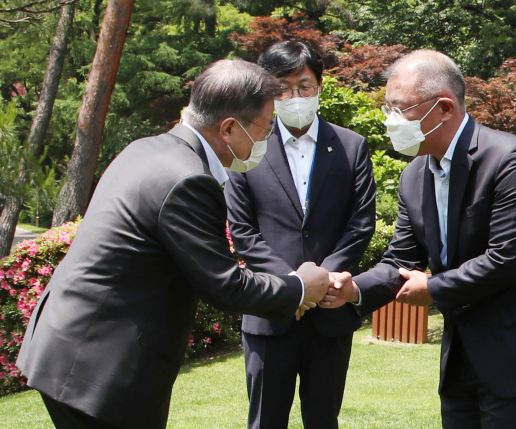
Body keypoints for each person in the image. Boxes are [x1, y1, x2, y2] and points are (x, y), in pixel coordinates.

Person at [16, 59, 331, 429]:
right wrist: (300, 287)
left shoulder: (147, 149)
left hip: (67, 346)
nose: (266, 139)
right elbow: (225, 286)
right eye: (264, 129)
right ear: (229, 128)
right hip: (100, 366)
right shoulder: (188, 180)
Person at [323, 50, 516, 428]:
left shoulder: (508, 159)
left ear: (444, 108)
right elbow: (401, 260)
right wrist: (353, 290)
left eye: (400, 109)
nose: (390, 121)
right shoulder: (414, 176)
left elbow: (506, 259)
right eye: (387, 109)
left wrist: (434, 288)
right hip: (461, 355)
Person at [224, 40, 376, 429]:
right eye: (283, 88)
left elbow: (360, 223)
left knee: (323, 420)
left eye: (304, 85)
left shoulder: (351, 146)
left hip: (330, 310)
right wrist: (294, 286)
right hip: (270, 311)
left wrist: (322, 280)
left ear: (320, 86)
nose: (295, 96)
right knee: (264, 421)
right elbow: (243, 231)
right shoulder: (248, 148)